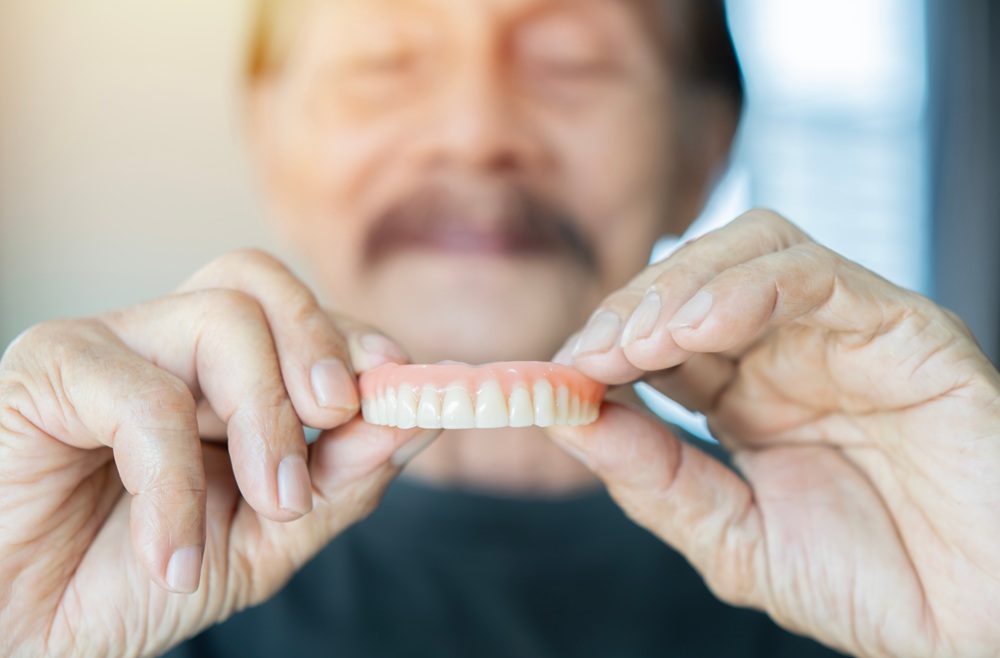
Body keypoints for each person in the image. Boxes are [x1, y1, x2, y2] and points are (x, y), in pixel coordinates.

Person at [1, 0, 998, 656]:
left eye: (573, 62)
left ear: (706, 149)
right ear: (271, 141)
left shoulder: (891, 594)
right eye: (386, 58)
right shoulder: (97, 589)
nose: (475, 131)